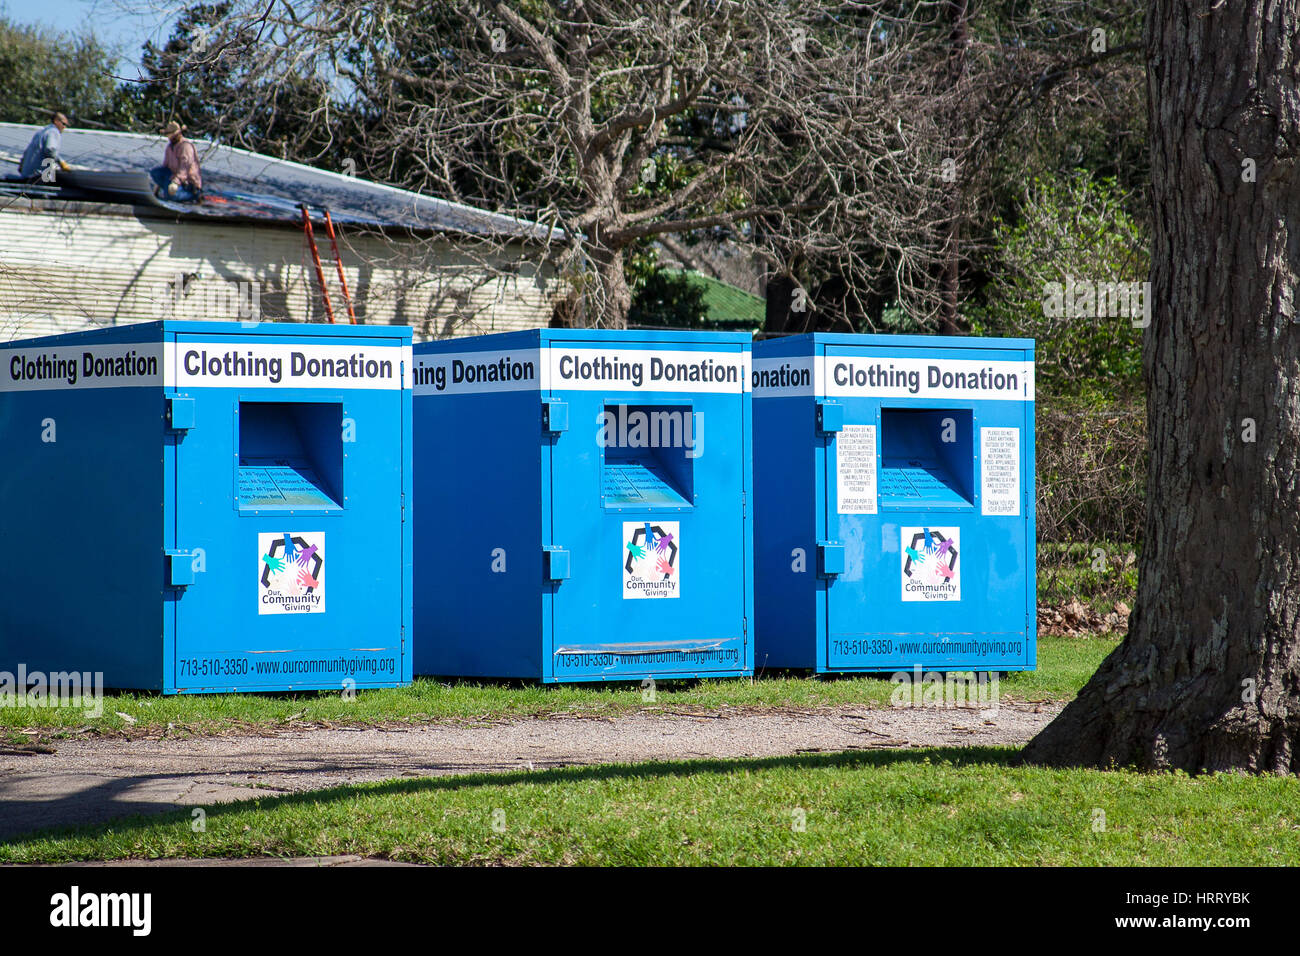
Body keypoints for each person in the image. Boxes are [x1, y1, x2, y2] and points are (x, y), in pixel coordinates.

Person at [150, 121, 203, 202]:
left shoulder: (186, 146)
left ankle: (194, 196)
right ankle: (167, 191)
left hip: (187, 183)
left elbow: (184, 169)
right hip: (172, 177)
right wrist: (157, 187)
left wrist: (175, 182)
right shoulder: (169, 147)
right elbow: (165, 166)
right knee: (155, 172)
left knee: (172, 196)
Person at [18, 112, 71, 181]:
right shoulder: (54, 132)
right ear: (56, 121)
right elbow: (50, 149)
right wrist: (61, 162)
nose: (64, 127)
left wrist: (22, 166)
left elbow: (26, 152)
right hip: (37, 176)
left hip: (26, 175)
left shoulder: (41, 132)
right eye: (63, 124)